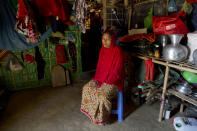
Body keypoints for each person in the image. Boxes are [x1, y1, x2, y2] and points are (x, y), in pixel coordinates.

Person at [80, 30, 125, 125]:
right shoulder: (102, 50)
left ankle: (102, 118)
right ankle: (93, 114)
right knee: (86, 88)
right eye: (103, 39)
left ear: (112, 40)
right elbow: (99, 67)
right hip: (100, 78)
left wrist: (106, 82)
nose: (105, 41)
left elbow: (117, 71)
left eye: (107, 39)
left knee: (102, 95)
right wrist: (98, 80)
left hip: (114, 80)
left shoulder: (117, 51)